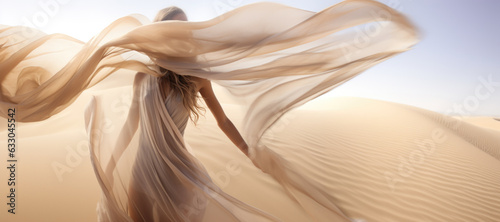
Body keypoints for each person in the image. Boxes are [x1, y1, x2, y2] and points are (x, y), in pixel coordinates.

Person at [0, 1, 418, 221]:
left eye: (185, 30)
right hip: (146, 168)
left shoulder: (198, 76)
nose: (181, 38)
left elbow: (221, 119)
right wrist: (109, 160)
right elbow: (130, 123)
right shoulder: (142, 76)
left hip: (179, 170)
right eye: (173, 29)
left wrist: (249, 150)